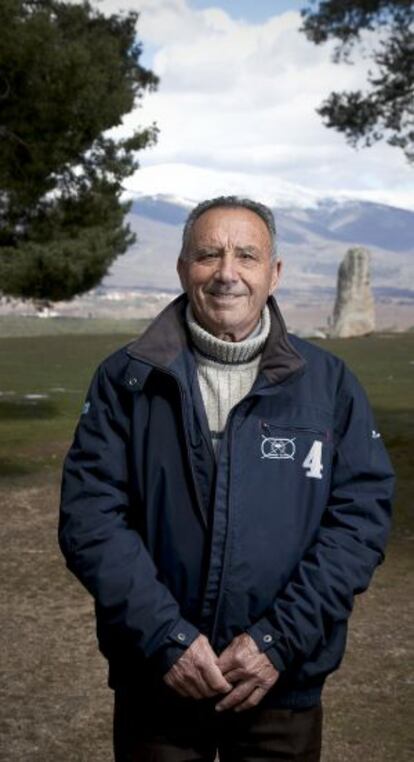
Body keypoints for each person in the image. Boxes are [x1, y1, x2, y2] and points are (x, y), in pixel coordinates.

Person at [58, 196, 395, 761]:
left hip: (281, 683)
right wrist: (167, 639)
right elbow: (90, 520)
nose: (226, 273)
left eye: (247, 255)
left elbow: (359, 523)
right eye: (208, 254)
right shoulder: (127, 379)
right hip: (156, 680)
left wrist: (276, 641)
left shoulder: (329, 386)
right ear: (183, 267)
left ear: (275, 273)